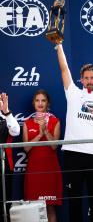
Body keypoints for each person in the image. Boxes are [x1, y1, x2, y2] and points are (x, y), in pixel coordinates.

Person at [54, 42, 93, 222]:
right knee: (74, 201)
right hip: (73, 154)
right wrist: (59, 46)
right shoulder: (73, 93)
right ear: (81, 80)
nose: (89, 80)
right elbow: (64, 69)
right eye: (86, 78)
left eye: (92, 77)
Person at [23, 89, 62, 222]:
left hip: (50, 171)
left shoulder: (55, 121)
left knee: (50, 208)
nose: (40, 103)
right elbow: (26, 148)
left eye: (43, 100)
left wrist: (45, 131)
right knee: (33, 209)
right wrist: (39, 134)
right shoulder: (27, 123)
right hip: (34, 171)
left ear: (47, 103)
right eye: (37, 100)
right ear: (34, 103)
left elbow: (54, 146)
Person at [0, 92, 20, 221]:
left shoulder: (7, 117)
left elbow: (16, 131)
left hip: (5, 167)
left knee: (4, 204)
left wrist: (6, 112)